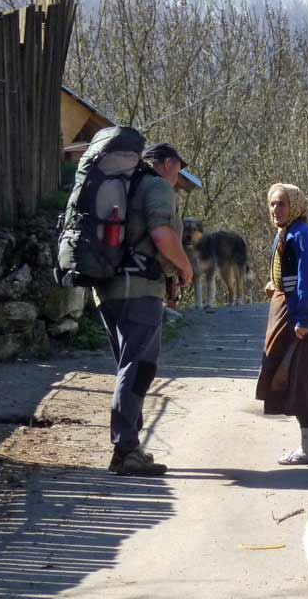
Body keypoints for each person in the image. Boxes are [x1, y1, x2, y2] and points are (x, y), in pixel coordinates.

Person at [96, 142, 193, 476]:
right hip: (138, 290)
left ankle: (127, 447)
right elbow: (162, 235)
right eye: (178, 169)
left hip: (108, 288)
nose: (177, 177)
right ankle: (126, 449)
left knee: (129, 366)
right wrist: (185, 267)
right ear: (168, 163)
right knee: (139, 367)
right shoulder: (156, 187)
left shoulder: (124, 184)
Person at [255, 183, 308, 465]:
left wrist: (303, 319)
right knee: (287, 375)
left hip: (297, 316)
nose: (275, 209)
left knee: (300, 377)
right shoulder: (284, 234)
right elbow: (290, 274)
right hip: (286, 310)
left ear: (295, 206)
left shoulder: (300, 235)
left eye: (281, 204)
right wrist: (276, 285)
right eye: (272, 204)